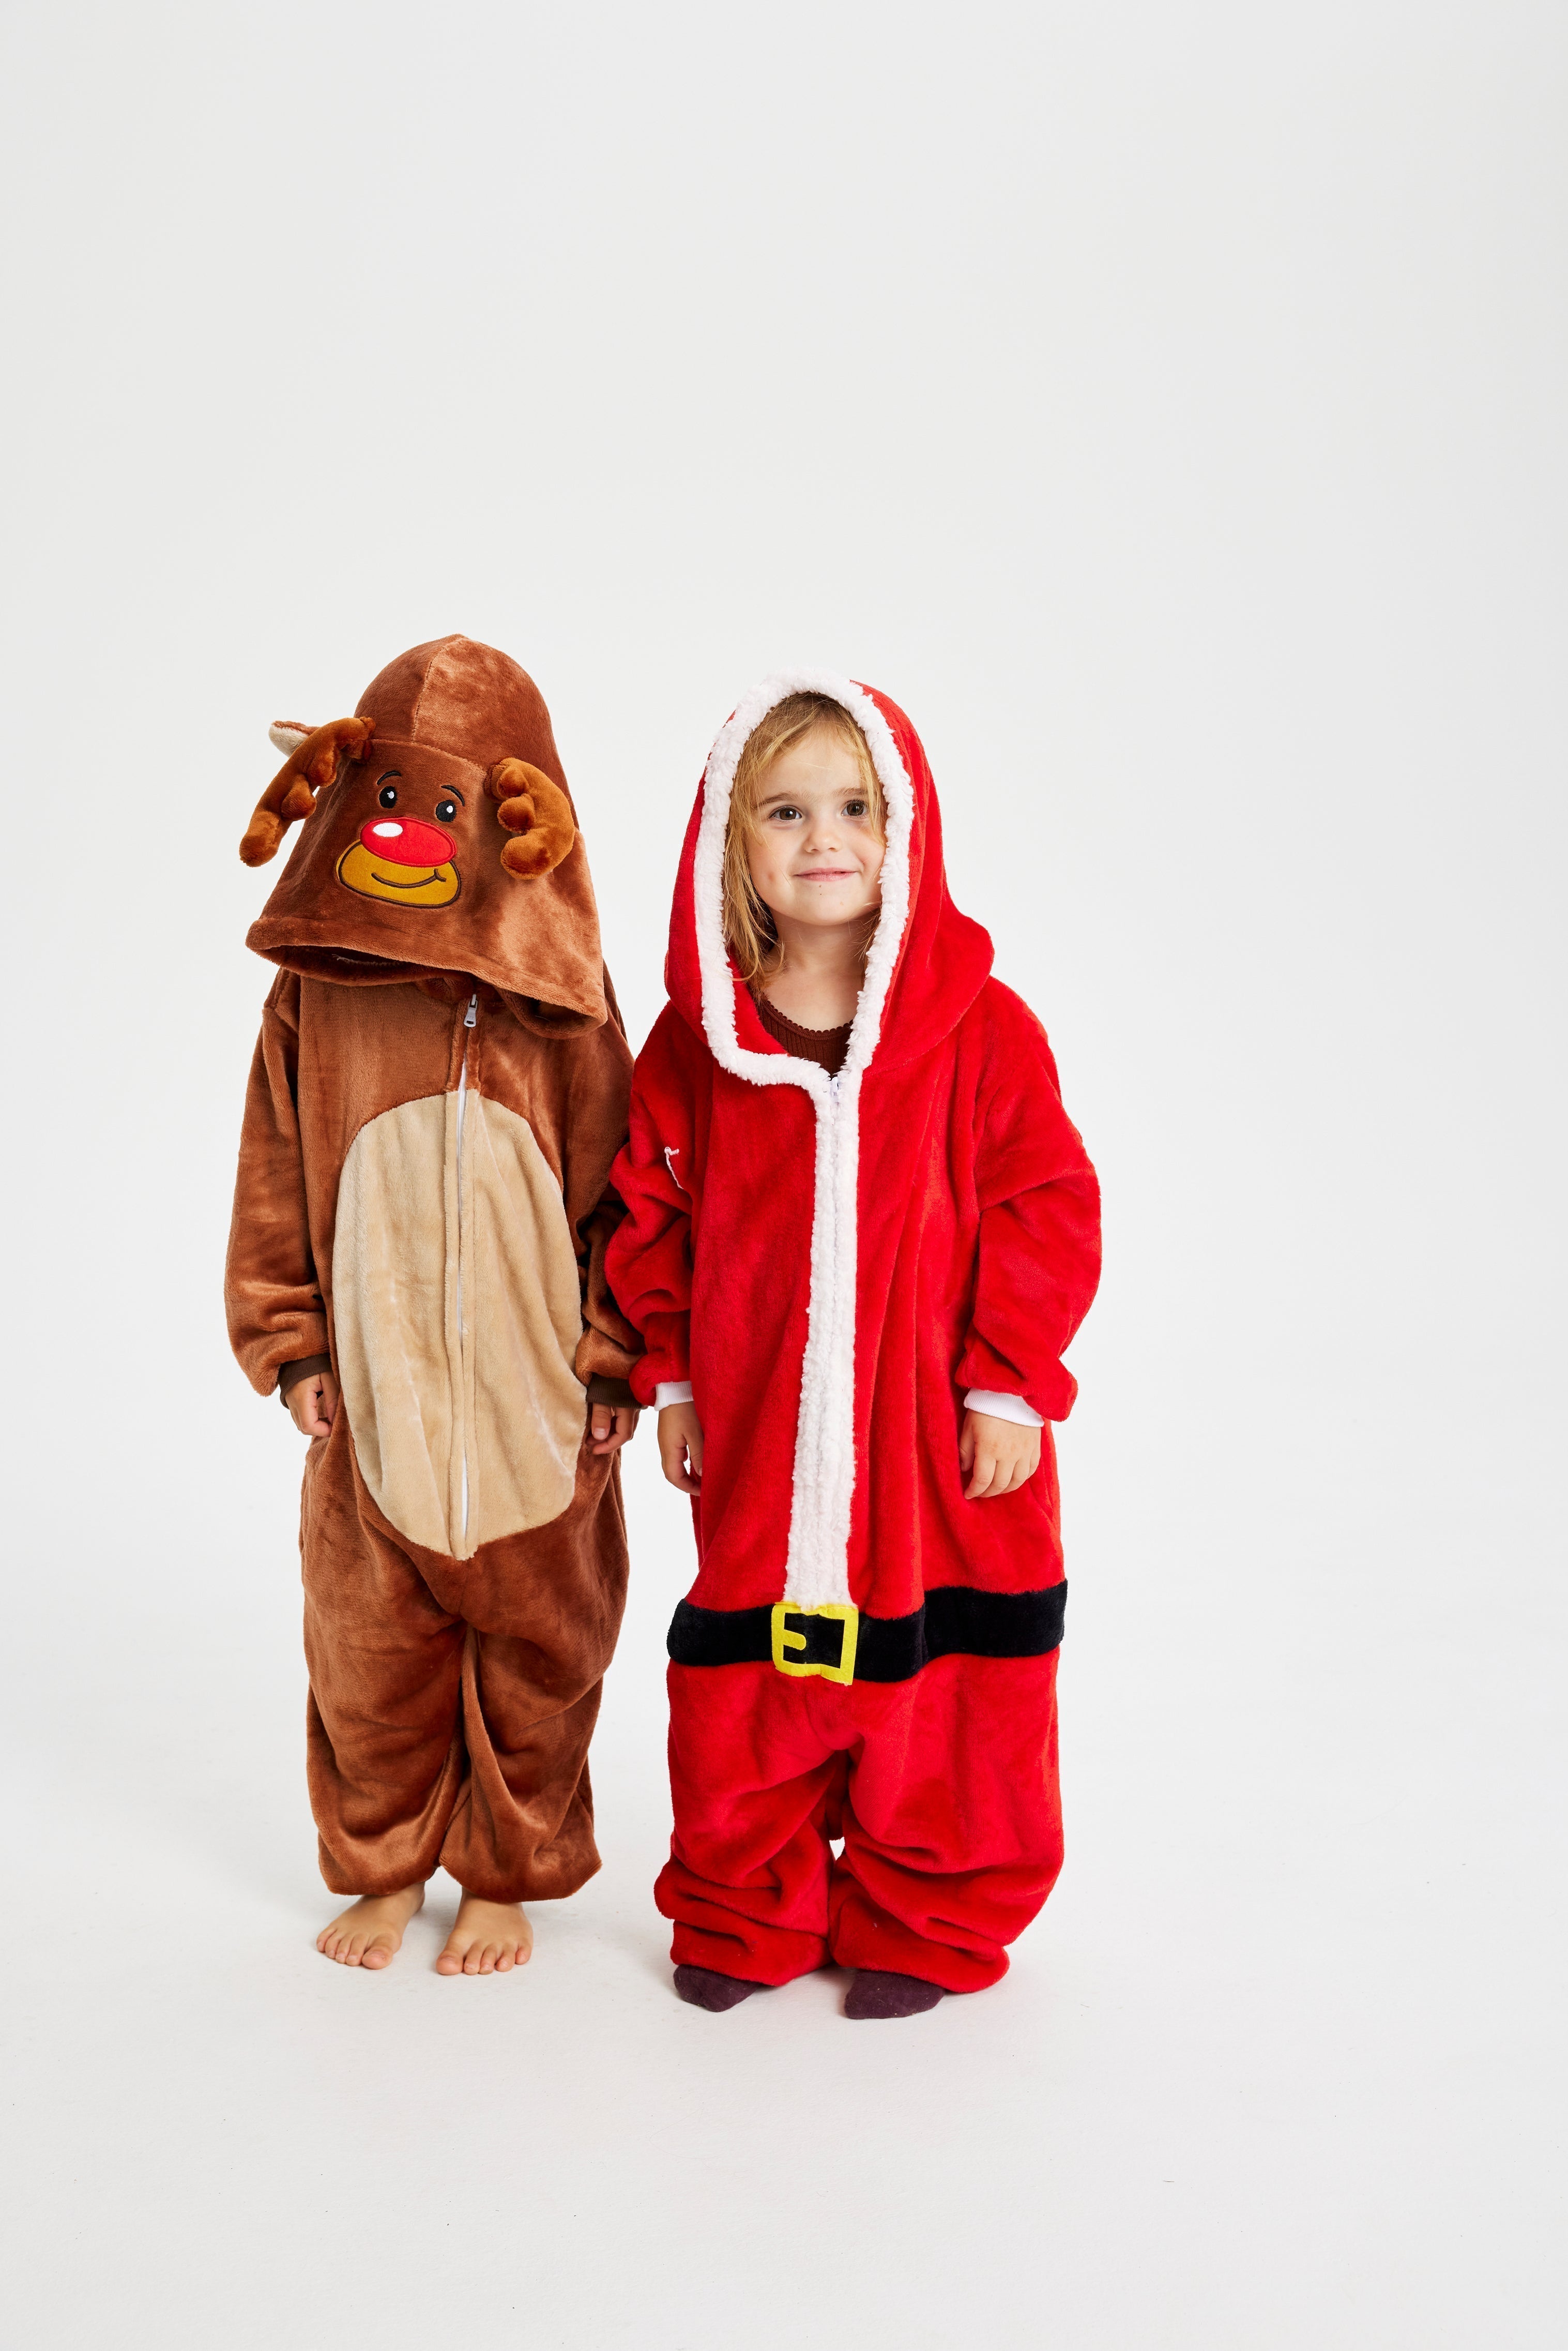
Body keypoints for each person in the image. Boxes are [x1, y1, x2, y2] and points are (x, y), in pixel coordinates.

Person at [606, 672, 1100, 2018]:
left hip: (939, 1447)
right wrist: (679, 1376)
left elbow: (1045, 1203)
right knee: (746, 1683)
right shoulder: (701, 1046)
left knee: (948, 1696)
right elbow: (650, 1208)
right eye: (783, 810)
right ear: (730, 844)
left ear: (906, 826)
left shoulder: (979, 1030)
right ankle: (740, 1901)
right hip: (765, 1437)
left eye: (853, 805)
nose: (823, 837)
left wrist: (1009, 1380)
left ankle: (926, 1914)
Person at [226, 635, 640, 1976]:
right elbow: (275, 1179)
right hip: (376, 1397)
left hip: (539, 1401)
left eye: (445, 808)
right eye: (392, 799)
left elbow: (624, 1193)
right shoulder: (316, 998)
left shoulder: (566, 1009)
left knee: (539, 1661)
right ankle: (388, 1862)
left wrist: (614, 1358)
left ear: (519, 819)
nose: (408, 834)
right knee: (370, 1658)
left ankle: (504, 1870)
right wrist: (291, 1349)